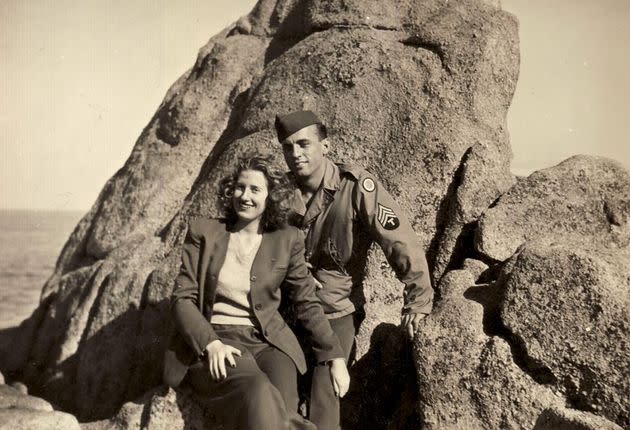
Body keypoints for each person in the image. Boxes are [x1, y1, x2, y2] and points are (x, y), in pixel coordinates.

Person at [163, 154, 350, 430]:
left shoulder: (287, 240)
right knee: (258, 390)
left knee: (284, 408)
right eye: (239, 187)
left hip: (269, 343)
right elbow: (183, 299)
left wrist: (334, 356)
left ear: (270, 196)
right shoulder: (205, 232)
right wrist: (210, 343)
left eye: (255, 189)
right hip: (220, 341)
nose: (244, 196)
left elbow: (307, 302)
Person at [274, 110, 435, 430]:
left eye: (304, 144)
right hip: (286, 311)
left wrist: (418, 298)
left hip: (336, 311)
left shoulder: (356, 185)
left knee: (325, 393)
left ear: (326, 146)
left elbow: (399, 240)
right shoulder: (277, 195)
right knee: (276, 394)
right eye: (288, 147)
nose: (296, 154)